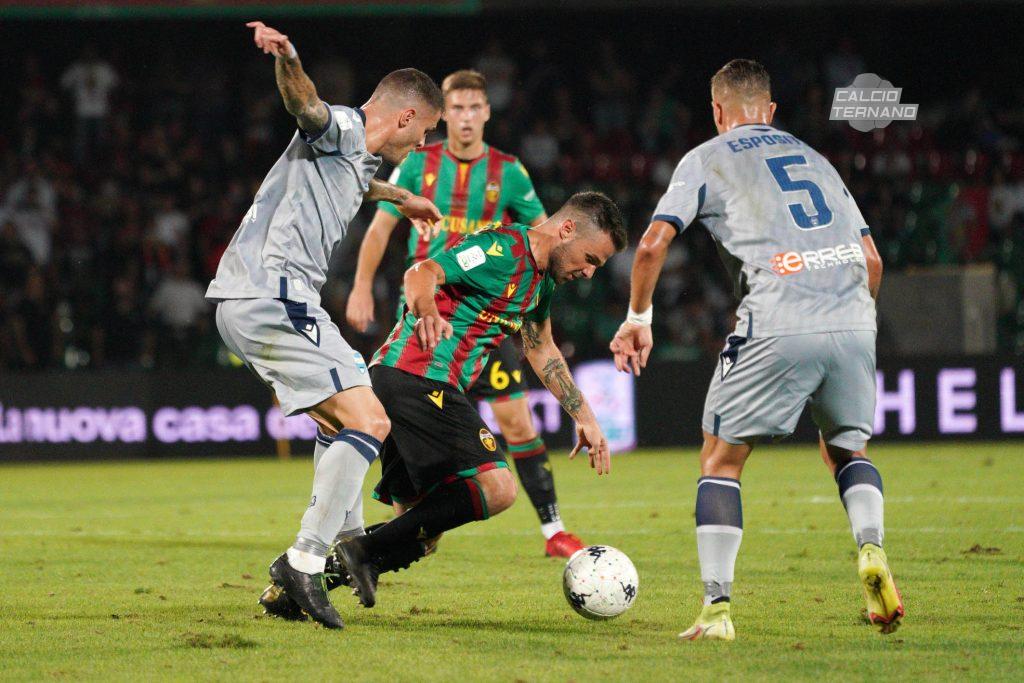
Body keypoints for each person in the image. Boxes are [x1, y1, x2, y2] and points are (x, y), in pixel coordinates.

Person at [610, 59, 901, 641]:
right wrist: (850, 322)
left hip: (777, 316)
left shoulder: (705, 158)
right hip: (852, 316)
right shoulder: (817, 160)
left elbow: (650, 245)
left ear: (718, 112)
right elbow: (873, 261)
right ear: (770, 111)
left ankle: (717, 609)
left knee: (721, 460)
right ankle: (871, 549)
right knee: (848, 448)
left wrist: (637, 317)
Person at [206, 20, 444, 630]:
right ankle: (305, 560)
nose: (421, 146)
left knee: (340, 415)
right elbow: (305, 105)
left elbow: (355, 179)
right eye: (424, 133)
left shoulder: (355, 156)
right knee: (372, 418)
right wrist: (288, 56)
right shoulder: (342, 125)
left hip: (257, 298)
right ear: (405, 116)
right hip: (272, 291)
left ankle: (351, 541)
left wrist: (401, 198)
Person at [334, 191, 627, 611]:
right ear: (566, 230)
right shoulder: (501, 249)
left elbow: (541, 347)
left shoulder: (541, 281)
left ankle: (300, 579)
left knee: (419, 530)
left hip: (415, 384)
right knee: (497, 488)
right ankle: (359, 552)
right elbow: (423, 271)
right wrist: (427, 311)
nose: (589, 273)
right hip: (417, 377)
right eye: (590, 259)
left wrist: (584, 416)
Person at [346, 69, 585, 558]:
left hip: (487, 328)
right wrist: (361, 286)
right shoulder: (416, 161)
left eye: (476, 107)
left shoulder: (509, 173)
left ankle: (553, 530)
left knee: (517, 424)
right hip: (426, 318)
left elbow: (548, 237)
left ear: (487, 113)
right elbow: (379, 229)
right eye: (457, 108)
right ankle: (371, 540)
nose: (466, 117)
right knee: (415, 477)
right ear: (444, 114)